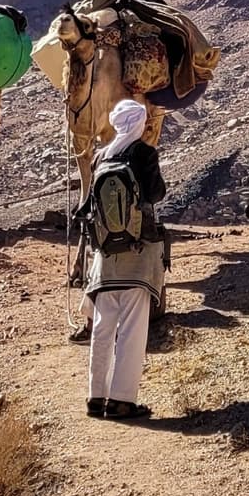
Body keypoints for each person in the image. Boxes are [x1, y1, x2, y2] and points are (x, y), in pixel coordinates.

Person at [83, 98, 167, 419]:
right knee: (132, 329)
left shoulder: (101, 156)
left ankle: (96, 397)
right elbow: (156, 193)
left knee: (103, 328)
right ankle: (121, 401)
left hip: (105, 256)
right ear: (140, 121)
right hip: (138, 250)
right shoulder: (144, 153)